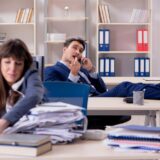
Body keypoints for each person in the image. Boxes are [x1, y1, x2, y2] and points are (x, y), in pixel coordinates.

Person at [44, 37, 131, 129]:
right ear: (65, 49)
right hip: (82, 105)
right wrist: (73, 74)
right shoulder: (51, 70)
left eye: (80, 51)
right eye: (74, 47)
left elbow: (102, 90)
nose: (78, 52)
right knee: (124, 87)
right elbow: (57, 96)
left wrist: (91, 70)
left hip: (97, 101)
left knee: (123, 101)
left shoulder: (83, 71)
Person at [0, 39, 44, 133]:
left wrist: (5, 121)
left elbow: (34, 95)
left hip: (28, 134)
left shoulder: (31, 73)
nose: (12, 69)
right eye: (7, 62)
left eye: (18, 63)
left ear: (24, 65)